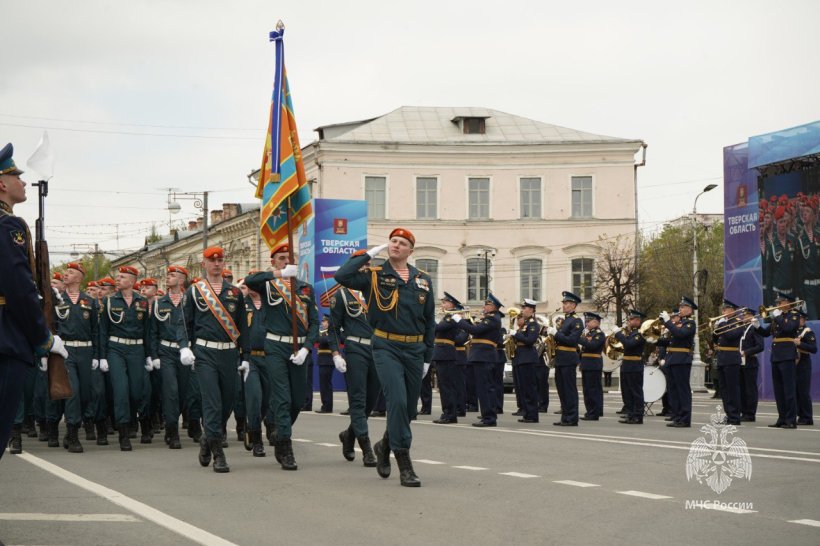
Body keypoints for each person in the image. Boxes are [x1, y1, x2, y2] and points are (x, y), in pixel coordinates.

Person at [335, 228, 435, 487]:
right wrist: (369, 253)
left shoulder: (422, 280)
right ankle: (404, 462)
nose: (396, 246)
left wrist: (427, 357)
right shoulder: (373, 275)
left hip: (414, 350)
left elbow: (430, 322)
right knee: (398, 402)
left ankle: (384, 445)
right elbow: (342, 275)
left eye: (402, 243)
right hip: (385, 346)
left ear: (410, 251)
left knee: (409, 410)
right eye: (393, 241)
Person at [0, 143, 69, 460]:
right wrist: (44, 338)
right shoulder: (8, 226)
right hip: (6, 341)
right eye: (17, 176)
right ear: (2, 183)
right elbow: (20, 290)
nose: (23, 183)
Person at [245, 244, 318, 471]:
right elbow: (251, 280)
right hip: (275, 346)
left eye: (289, 258)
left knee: (297, 400)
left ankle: (274, 423)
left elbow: (314, 322)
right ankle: (285, 446)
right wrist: (279, 275)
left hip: (298, 350)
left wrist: (307, 348)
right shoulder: (268, 286)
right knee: (283, 397)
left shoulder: (305, 289)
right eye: (281, 258)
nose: (286, 261)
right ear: (274, 261)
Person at [178, 247, 248, 472]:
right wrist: (184, 347)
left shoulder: (235, 293)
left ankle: (207, 438)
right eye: (212, 260)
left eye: (220, 260)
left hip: (228, 354)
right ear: (204, 264)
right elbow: (184, 323)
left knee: (227, 403)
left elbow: (242, 328)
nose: (217, 264)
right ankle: (219, 453)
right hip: (205, 353)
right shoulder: (195, 292)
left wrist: (244, 356)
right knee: (212, 403)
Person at [329, 264, 380, 467]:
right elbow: (333, 326)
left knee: (370, 401)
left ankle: (348, 434)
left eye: (368, 266)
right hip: (355, 348)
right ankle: (366, 449)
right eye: (361, 266)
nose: (365, 270)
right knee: (358, 400)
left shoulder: (378, 293)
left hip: (377, 349)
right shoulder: (342, 295)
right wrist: (335, 353)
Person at [98, 265, 153, 450]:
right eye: (118, 276)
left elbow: (148, 331)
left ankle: (130, 418)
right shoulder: (109, 301)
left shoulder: (143, 302)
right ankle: (123, 433)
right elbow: (102, 330)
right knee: (120, 390)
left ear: (132, 281)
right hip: (116, 349)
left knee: (136, 392)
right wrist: (102, 356)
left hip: (137, 350)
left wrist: (149, 355)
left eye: (122, 277)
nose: (118, 279)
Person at [53, 261, 103, 452]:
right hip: (66, 351)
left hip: (86, 351)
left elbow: (96, 331)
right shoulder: (58, 299)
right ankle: (73, 434)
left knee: (86, 394)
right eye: (66, 271)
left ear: (80, 277)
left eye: (71, 272)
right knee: (72, 391)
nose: (66, 274)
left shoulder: (89, 301)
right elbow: (52, 326)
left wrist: (97, 356)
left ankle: (71, 430)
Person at [148, 265, 189, 449]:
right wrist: (154, 355)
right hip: (166, 352)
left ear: (181, 280)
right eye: (168, 275)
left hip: (185, 353)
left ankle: (173, 421)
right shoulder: (159, 303)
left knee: (182, 393)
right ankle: (172, 431)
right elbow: (153, 331)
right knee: (170, 391)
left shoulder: (190, 301)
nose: (168, 278)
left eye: (172, 275)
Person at [456, 294, 504, 429]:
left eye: (487, 305)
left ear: (493, 307)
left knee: (486, 388)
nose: (484, 307)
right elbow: (476, 331)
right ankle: (487, 415)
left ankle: (489, 417)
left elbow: (475, 330)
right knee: (483, 388)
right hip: (481, 356)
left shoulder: (493, 319)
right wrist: (468, 321)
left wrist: (459, 320)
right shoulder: (489, 319)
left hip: (485, 356)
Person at [238, 273, 272, 457]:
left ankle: (253, 425)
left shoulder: (271, 303)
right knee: (254, 399)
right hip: (249, 359)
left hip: (269, 357)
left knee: (267, 399)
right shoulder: (240, 305)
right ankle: (257, 439)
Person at [755, 292, 800, 428]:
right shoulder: (778, 318)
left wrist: (778, 317)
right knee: (779, 390)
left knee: (789, 389)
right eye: (777, 303)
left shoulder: (794, 315)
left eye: (780, 303)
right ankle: (782, 418)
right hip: (776, 356)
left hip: (787, 355)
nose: (777, 305)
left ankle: (791, 420)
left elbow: (788, 328)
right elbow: (766, 332)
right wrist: (757, 326)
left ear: (787, 303)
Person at [546, 291, 583, 426]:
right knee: (561, 390)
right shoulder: (566, 320)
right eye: (564, 303)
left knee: (569, 389)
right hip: (561, 359)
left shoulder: (577, 321)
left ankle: (572, 418)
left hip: (568, 358)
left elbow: (572, 340)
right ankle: (565, 417)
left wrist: (556, 334)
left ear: (573, 305)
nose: (564, 305)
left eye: (567, 303)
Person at [662, 297, 697, 428]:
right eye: (680, 307)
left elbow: (680, 334)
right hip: (672, 359)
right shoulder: (678, 324)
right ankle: (677, 416)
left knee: (682, 391)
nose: (680, 309)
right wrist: (652, 339)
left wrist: (668, 322)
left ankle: (685, 419)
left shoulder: (690, 324)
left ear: (690, 310)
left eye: (683, 307)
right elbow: (669, 342)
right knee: (673, 390)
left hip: (682, 359)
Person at [431, 292, 465, 424]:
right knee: (444, 386)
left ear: (451, 304)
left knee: (447, 387)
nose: (442, 305)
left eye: (444, 302)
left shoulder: (451, 318)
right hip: (442, 353)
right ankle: (447, 413)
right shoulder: (447, 317)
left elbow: (437, 328)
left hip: (446, 353)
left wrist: (429, 318)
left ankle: (449, 414)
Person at [712, 299, 744, 425]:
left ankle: (735, 416)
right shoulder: (724, 323)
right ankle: (729, 414)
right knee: (724, 390)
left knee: (732, 389)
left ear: (732, 310)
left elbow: (731, 336)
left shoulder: (738, 322)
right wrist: (714, 330)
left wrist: (720, 326)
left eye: (725, 309)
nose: (723, 312)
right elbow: (716, 339)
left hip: (731, 358)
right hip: (722, 358)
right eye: (723, 310)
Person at [613, 310, 646, 424]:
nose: (629, 321)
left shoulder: (640, 334)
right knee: (628, 392)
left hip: (635, 365)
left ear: (638, 321)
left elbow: (629, 344)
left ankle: (638, 415)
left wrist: (618, 334)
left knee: (636, 391)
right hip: (627, 365)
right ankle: (631, 414)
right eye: (629, 319)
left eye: (631, 319)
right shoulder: (631, 333)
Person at [511, 300, 541, 423]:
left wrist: (516, 335)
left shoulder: (533, 325)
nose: (523, 310)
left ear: (532, 310)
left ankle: (533, 415)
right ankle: (527, 414)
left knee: (530, 388)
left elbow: (530, 340)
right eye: (522, 308)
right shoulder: (524, 325)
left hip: (528, 358)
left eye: (525, 308)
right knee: (523, 388)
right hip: (521, 357)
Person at [578, 312, 605, 421]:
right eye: (586, 321)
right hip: (587, 364)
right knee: (587, 390)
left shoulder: (599, 334)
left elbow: (592, 345)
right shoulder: (588, 334)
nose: (587, 323)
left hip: (593, 364)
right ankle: (591, 411)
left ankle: (594, 412)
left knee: (593, 390)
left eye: (589, 321)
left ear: (597, 322)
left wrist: (578, 338)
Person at [738, 307, 764, 422]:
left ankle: (750, 413)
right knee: (742, 389)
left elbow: (760, 346)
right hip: (740, 362)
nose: (744, 317)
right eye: (744, 315)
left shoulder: (754, 328)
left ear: (751, 316)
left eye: (746, 315)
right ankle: (743, 411)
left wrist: (746, 352)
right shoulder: (741, 328)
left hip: (750, 361)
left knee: (750, 389)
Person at [794, 309, 815, 425]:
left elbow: (814, 348)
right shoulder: (793, 331)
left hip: (804, 364)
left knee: (803, 392)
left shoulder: (807, 332)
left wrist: (800, 344)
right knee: (796, 391)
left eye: (798, 318)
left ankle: (807, 417)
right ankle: (800, 415)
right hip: (793, 364)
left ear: (803, 319)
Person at [314, 316, 334, 413]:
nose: (323, 323)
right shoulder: (322, 333)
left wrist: (319, 336)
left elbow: (323, 340)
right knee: (324, 384)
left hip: (328, 360)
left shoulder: (331, 333)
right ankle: (325, 405)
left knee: (326, 384)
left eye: (325, 321)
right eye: (322, 321)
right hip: (322, 360)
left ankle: (327, 406)